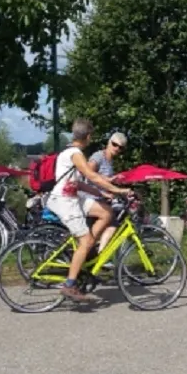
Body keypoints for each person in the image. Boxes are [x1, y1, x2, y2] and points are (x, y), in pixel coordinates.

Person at [45, 119, 132, 300]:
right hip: (64, 201)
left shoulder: (71, 152)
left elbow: (80, 184)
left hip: (73, 197)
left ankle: (89, 248)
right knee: (85, 242)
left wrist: (104, 194)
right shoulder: (75, 154)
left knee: (106, 212)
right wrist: (118, 190)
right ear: (88, 136)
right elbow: (92, 176)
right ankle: (69, 285)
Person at [79, 132, 127, 253]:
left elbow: (103, 181)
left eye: (121, 147)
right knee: (110, 220)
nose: (117, 148)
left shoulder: (110, 161)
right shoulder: (99, 156)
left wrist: (114, 182)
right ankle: (94, 253)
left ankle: (99, 254)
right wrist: (108, 180)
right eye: (115, 144)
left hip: (101, 198)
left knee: (112, 225)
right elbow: (88, 173)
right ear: (108, 142)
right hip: (90, 198)